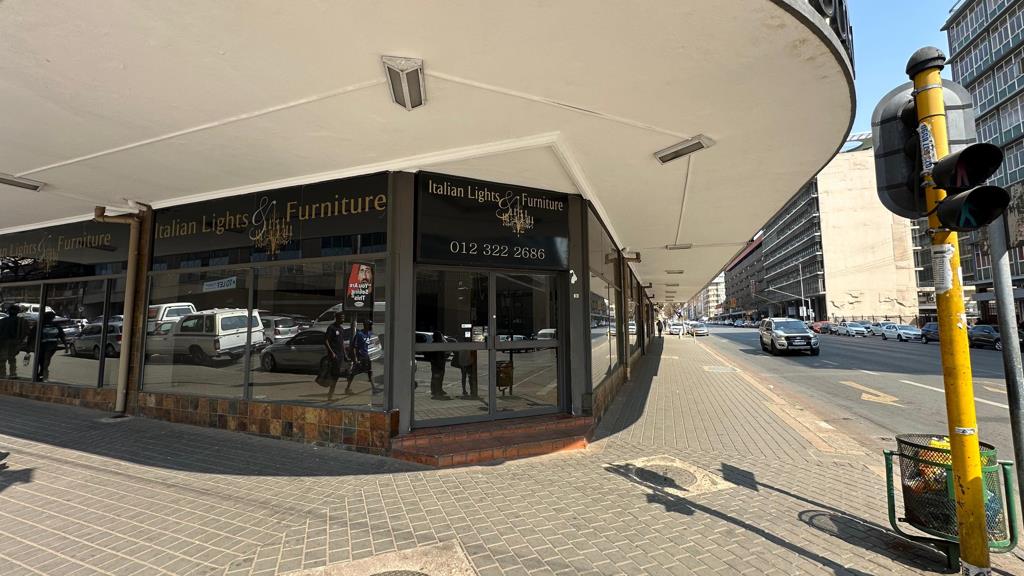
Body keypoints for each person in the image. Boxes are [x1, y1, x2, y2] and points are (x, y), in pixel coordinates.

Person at [28, 311, 66, 381]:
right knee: (44, 360)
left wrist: (29, 345)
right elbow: (62, 336)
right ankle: (42, 374)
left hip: (45, 346)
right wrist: (66, 346)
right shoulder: (54, 325)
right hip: (49, 346)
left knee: (42, 360)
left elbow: (31, 336)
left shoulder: (40, 325)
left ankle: (43, 374)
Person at [345, 319, 377, 395]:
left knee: (370, 372)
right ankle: (347, 388)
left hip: (368, 357)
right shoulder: (359, 334)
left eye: (371, 325)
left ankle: (374, 388)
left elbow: (373, 345)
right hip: (361, 357)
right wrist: (355, 358)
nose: (370, 326)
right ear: (365, 325)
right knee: (354, 373)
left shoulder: (370, 334)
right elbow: (354, 347)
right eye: (369, 325)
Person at [324, 312, 349, 401]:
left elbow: (342, 343)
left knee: (336, 375)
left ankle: (330, 394)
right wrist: (332, 353)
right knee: (335, 375)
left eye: (343, 318)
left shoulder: (341, 329)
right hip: (334, 356)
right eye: (341, 318)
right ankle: (330, 396)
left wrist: (345, 355)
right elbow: (326, 341)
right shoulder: (331, 328)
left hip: (340, 355)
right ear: (337, 318)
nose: (343, 319)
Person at [0, 305, 22, 378]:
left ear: (8, 311)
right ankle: (13, 373)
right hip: (15, 342)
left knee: (2, 359)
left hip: (3, 341)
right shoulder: (21, 321)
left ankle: (2, 374)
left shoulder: (3, 320)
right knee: (12, 358)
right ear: (18, 312)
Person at [428, 331, 450, 400]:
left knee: (439, 377)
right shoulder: (436, 344)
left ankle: (439, 389)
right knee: (436, 377)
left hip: (439, 363)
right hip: (437, 364)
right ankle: (435, 390)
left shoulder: (439, 343)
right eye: (440, 336)